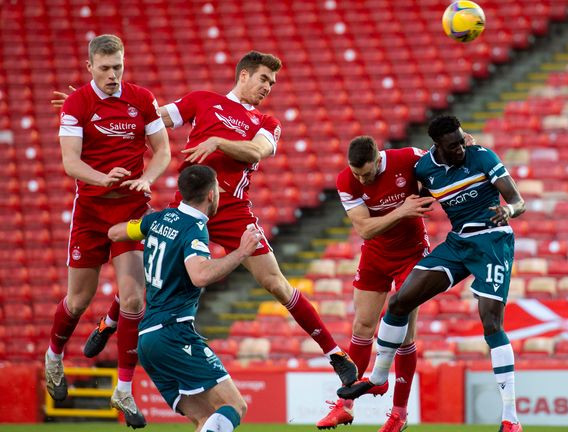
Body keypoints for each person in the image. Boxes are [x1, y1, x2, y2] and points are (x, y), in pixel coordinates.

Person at [153, 50, 357, 384]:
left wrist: (217, 140)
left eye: (273, 83)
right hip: (189, 207)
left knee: (275, 283)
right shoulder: (202, 101)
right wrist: (102, 109)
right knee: (152, 269)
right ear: (244, 75)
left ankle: (334, 352)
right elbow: (154, 119)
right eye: (264, 79)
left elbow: (255, 151)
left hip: (233, 209)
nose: (268, 87)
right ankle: (112, 323)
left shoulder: (266, 123)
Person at [337, 115, 526, 432]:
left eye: (461, 140)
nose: (460, 150)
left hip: (493, 241)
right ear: (438, 146)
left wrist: (508, 209)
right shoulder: (424, 169)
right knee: (399, 303)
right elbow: (411, 189)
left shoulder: (482, 156)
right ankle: (378, 378)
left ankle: (511, 418)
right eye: (453, 145)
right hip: (458, 243)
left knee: (491, 321)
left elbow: (518, 201)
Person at [45, 34, 170, 428]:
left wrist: (147, 178)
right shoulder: (77, 103)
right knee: (77, 301)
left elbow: (163, 151)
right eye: (106, 68)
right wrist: (104, 178)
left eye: (119, 66)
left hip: (131, 211)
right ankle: (54, 356)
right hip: (91, 214)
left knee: (135, 299)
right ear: (90, 68)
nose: (114, 75)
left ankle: (124, 390)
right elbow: (70, 163)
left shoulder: (141, 98)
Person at [108, 165, 261, 432]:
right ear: (212, 195)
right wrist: (241, 252)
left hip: (147, 340)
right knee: (235, 406)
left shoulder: (158, 220)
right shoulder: (195, 228)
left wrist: (144, 229)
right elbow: (200, 275)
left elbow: (115, 232)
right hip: (174, 332)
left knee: (205, 419)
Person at [316, 136, 434, 431]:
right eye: (356, 173)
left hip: (412, 253)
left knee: (405, 336)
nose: (361, 179)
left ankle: (398, 414)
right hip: (376, 254)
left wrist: (428, 192)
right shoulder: (347, 180)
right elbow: (365, 229)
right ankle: (344, 407)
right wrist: (402, 210)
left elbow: (441, 164)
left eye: (366, 173)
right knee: (361, 328)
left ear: (378, 159)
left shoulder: (408, 159)